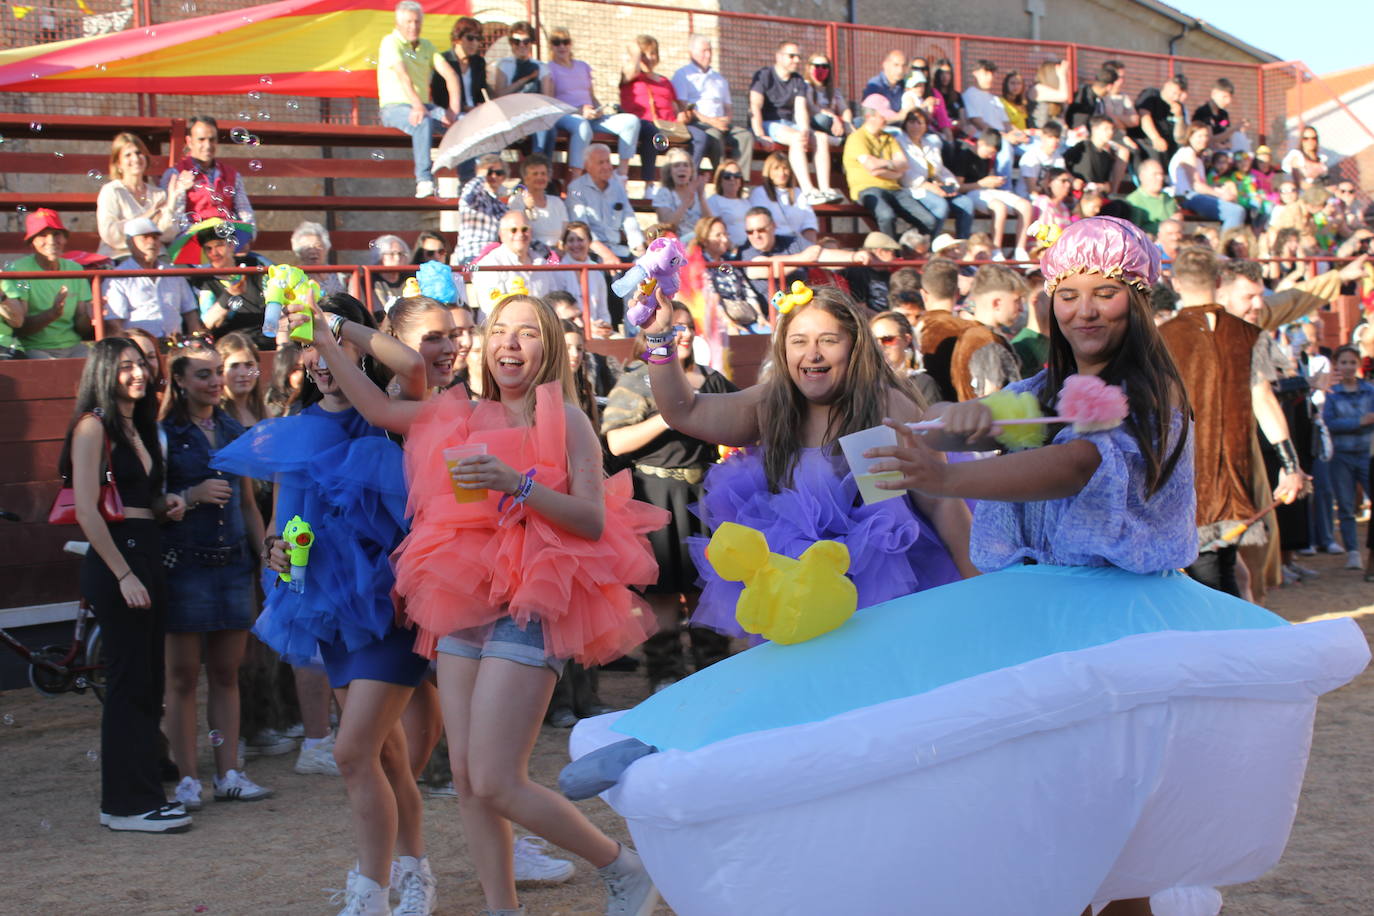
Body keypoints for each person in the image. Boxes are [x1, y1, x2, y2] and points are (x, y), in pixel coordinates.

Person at [302, 290, 667, 916]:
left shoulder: (568, 420)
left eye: (526, 333)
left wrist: (517, 485)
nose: (510, 344)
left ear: (548, 346)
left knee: (498, 778)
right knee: (470, 780)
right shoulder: (462, 414)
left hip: (534, 595)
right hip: (460, 596)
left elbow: (588, 517)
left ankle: (622, 865)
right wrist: (328, 328)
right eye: (500, 331)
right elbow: (371, 402)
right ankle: (505, 909)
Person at [213, 293, 435, 916]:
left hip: (395, 608)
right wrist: (276, 557)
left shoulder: (391, 414)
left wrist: (332, 325)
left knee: (350, 751)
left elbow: (412, 364)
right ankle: (414, 872)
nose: (318, 359)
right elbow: (281, 532)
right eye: (307, 348)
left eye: (327, 344)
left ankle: (372, 891)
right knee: (385, 757)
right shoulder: (294, 429)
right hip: (328, 611)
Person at [626, 281, 975, 646]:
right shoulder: (774, 402)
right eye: (799, 341)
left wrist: (982, 586)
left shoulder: (880, 409)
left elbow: (938, 504)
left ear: (854, 346)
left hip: (874, 604)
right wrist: (659, 336)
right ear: (783, 349)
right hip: (793, 602)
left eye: (828, 340)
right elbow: (685, 411)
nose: (813, 354)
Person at [64, 338, 189, 832]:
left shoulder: (136, 425)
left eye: (141, 364)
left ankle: (144, 793)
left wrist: (167, 504)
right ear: (103, 372)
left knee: (148, 682)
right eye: (126, 367)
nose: (139, 373)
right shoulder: (92, 426)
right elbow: (86, 510)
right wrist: (123, 574)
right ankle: (125, 804)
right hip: (121, 561)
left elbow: (138, 500)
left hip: (147, 550)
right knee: (128, 683)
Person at [159, 339, 271, 812]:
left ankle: (228, 771)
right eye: (203, 374)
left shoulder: (230, 428)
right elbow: (153, 505)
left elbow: (247, 503)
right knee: (182, 677)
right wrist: (194, 493)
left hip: (230, 564)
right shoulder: (163, 433)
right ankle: (188, 776)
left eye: (216, 373)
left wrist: (263, 557)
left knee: (227, 673)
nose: (214, 382)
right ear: (180, 380)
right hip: (184, 566)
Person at [603, 303, 737, 693]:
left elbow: (746, 424)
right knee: (661, 595)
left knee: (707, 591)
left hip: (705, 496)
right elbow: (616, 441)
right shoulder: (638, 380)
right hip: (655, 497)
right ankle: (666, 682)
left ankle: (716, 679)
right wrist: (669, 413)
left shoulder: (712, 381)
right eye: (671, 327)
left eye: (686, 327)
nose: (680, 334)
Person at [1160, 247, 1308, 596]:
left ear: (1176, 282)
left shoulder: (1161, 337)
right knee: (1221, 574)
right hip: (1230, 481)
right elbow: (1265, 401)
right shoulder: (1249, 335)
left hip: (1182, 480)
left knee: (1208, 581)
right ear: (1216, 281)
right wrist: (1290, 465)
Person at [377, 0, 459, 199]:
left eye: (417, 22)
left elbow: (451, 76)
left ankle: (468, 179)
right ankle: (423, 180)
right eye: (408, 22)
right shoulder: (390, 42)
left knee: (463, 124)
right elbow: (402, 75)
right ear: (398, 24)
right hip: (394, 107)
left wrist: (453, 112)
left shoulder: (427, 46)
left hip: (423, 105)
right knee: (423, 121)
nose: (413, 26)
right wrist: (417, 105)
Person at [539, 26, 641, 180]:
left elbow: (591, 96)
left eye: (565, 42)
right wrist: (578, 111)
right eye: (556, 42)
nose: (561, 46)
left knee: (631, 121)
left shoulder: (583, 67)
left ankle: (621, 175)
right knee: (582, 127)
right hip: (566, 117)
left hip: (590, 115)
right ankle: (576, 182)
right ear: (551, 46)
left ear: (570, 44)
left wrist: (598, 109)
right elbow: (549, 102)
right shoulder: (548, 68)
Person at [750, 40, 840, 204]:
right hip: (768, 123)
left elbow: (800, 109)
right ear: (779, 56)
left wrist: (805, 130)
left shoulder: (798, 80)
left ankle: (825, 189)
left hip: (788, 124)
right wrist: (759, 134)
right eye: (792, 56)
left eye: (798, 56)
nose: (797, 60)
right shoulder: (764, 75)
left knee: (820, 137)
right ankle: (808, 191)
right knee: (797, 138)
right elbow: (755, 106)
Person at [0, 208, 95, 359]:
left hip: (74, 347)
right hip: (35, 349)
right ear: (32, 242)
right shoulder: (19, 271)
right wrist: (52, 314)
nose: (51, 241)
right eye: (43, 235)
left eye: (56, 234)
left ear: (64, 239)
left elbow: (81, 327)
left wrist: (93, 315)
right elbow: (21, 327)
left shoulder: (75, 269)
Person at [844, 96, 939, 239]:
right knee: (886, 215)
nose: (886, 120)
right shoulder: (857, 138)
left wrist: (882, 166)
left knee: (928, 221)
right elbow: (871, 166)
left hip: (894, 189)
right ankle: (889, 256)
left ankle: (907, 248)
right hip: (867, 189)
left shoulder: (889, 138)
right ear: (869, 117)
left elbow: (903, 166)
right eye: (882, 116)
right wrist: (892, 167)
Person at [620, 34, 707, 186]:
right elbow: (631, 69)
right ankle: (649, 183)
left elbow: (675, 107)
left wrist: (682, 116)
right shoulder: (631, 76)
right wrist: (635, 53)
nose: (649, 58)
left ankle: (689, 181)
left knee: (700, 136)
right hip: (645, 125)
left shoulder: (665, 81)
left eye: (653, 53)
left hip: (669, 126)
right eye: (645, 54)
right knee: (653, 134)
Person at [738, 206, 868, 301]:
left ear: (773, 226)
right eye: (750, 232)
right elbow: (762, 268)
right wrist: (802, 258)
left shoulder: (793, 242)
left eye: (761, 230)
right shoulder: (746, 251)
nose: (756, 236)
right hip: (772, 314)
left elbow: (822, 255)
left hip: (804, 306)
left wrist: (854, 256)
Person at [102, 218, 202, 340]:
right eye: (145, 237)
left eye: (155, 238)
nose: (151, 242)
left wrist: (195, 341)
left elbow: (190, 313)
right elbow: (114, 324)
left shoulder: (174, 273)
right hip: (139, 348)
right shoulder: (118, 278)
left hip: (175, 345)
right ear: (130, 242)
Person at [1320, 345, 1374, 570]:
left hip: (1368, 455)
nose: (1349, 367)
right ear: (1337, 365)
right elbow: (1330, 423)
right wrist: (1359, 422)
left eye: (1352, 362)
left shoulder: (1370, 391)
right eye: (1344, 363)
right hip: (1342, 456)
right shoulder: (1332, 394)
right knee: (1346, 505)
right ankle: (1353, 551)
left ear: (1358, 365)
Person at [673, 34, 755, 180]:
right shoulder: (683, 75)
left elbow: (728, 107)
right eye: (704, 51)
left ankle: (741, 181)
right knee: (714, 136)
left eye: (710, 50)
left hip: (720, 124)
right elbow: (683, 107)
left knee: (745, 136)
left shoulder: (719, 79)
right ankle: (723, 179)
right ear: (692, 52)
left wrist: (726, 120)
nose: (708, 55)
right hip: (699, 123)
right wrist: (712, 122)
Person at [159, 115, 255, 234]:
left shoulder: (232, 175)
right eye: (201, 139)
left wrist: (247, 235)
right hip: (192, 239)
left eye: (212, 139)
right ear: (189, 141)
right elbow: (175, 218)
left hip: (227, 239)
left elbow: (245, 211)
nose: (208, 145)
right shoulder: (176, 174)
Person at [97, 132, 186, 260]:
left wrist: (172, 200)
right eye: (128, 155)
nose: (135, 158)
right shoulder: (111, 191)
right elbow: (111, 233)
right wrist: (149, 215)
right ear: (118, 164)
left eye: (139, 153)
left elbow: (167, 235)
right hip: (120, 257)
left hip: (156, 258)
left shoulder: (158, 194)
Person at [949, 129, 1033, 258]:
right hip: (971, 191)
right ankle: (996, 250)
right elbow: (958, 187)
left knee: (1025, 205)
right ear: (981, 144)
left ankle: (1020, 250)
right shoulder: (964, 156)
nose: (990, 156)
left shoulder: (986, 159)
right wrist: (982, 184)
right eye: (990, 152)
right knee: (999, 207)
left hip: (985, 190)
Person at [191, 221, 273, 345]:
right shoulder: (204, 280)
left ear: (231, 245)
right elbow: (207, 322)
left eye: (219, 245)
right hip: (227, 344)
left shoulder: (254, 266)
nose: (214, 253)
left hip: (264, 339)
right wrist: (230, 294)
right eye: (208, 248)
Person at [567, 144, 645, 262]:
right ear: (587, 166)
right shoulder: (576, 189)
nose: (607, 166)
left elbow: (629, 219)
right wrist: (607, 255)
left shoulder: (617, 186)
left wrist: (640, 249)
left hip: (618, 249)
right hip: (590, 252)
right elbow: (582, 230)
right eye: (600, 163)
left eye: (608, 161)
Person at [695, 215, 769, 333]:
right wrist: (728, 322)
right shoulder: (700, 265)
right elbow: (711, 297)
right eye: (718, 235)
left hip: (744, 316)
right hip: (719, 323)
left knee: (768, 332)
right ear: (704, 240)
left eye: (725, 234)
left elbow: (747, 291)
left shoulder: (728, 262)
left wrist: (760, 316)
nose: (724, 240)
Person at [469, 211, 560, 304]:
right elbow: (492, 306)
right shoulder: (489, 264)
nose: (520, 234)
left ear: (531, 232)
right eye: (513, 230)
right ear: (501, 235)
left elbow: (554, 300)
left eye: (524, 229)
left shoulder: (542, 262)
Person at [1169, 123, 1246, 231]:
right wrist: (1220, 194)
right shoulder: (1187, 153)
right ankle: (1226, 245)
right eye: (1199, 136)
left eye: (1206, 136)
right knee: (1236, 212)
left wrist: (1221, 190)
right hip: (1188, 197)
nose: (1204, 139)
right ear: (1190, 136)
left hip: (1194, 196)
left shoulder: (1198, 158)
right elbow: (1196, 186)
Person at [547, 221, 611, 328]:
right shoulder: (557, 271)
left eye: (580, 240)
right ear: (565, 244)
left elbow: (603, 312)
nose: (576, 244)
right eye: (571, 240)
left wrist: (605, 326)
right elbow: (559, 314)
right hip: (569, 330)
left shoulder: (597, 274)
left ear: (589, 242)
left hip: (596, 329)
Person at [870, 308, 940, 403]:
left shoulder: (923, 383)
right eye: (874, 341)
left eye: (887, 339)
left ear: (907, 339)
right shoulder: (861, 381)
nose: (880, 346)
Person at [747, 151, 819, 242]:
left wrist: (810, 248)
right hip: (773, 243)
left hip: (797, 243)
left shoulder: (799, 193)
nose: (782, 173)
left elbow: (809, 224)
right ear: (769, 171)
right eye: (776, 168)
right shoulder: (760, 193)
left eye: (785, 168)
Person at [454, 154, 510, 265]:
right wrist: (481, 176)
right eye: (489, 172)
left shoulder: (500, 205)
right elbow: (468, 196)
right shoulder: (474, 196)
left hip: (493, 257)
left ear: (503, 177)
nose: (493, 176)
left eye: (498, 173)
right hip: (470, 257)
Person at [430, 16, 489, 116]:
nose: (475, 43)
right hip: (451, 113)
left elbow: (481, 91)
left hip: (475, 113)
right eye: (470, 38)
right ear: (457, 39)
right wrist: (465, 108)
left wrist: (480, 105)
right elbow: (439, 96)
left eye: (478, 39)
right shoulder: (444, 61)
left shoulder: (479, 62)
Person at [652, 147, 710, 244]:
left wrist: (701, 197)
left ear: (691, 171)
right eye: (676, 165)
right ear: (670, 172)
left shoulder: (698, 193)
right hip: (675, 245)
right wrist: (686, 201)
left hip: (699, 244)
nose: (682, 169)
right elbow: (668, 225)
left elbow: (709, 223)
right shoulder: (664, 193)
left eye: (686, 165)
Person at [512, 153, 569, 252]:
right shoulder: (517, 202)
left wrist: (560, 249)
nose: (540, 177)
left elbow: (565, 233)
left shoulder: (557, 202)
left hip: (558, 253)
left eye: (543, 174)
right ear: (526, 179)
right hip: (532, 252)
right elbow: (519, 232)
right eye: (535, 174)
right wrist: (528, 209)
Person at [1130, 74, 1189, 164]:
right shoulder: (1151, 94)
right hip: (1147, 138)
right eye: (1174, 93)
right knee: (1157, 152)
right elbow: (1144, 117)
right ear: (1167, 85)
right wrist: (1156, 138)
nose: (1176, 97)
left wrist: (1179, 117)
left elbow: (1179, 137)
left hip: (1169, 142)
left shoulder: (1178, 106)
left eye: (1179, 95)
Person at [1065, 115, 1130, 194]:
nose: (1110, 132)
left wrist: (1102, 187)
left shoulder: (1106, 156)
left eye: (1112, 129)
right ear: (1094, 129)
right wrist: (1073, 180)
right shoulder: (1083, 147)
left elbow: (1106, 185)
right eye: (1106, 129)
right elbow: (1063, 164)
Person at [291, 222, 351, 297]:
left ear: (326, 249)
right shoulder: (293, 276)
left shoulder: (340, 277)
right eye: (307, 248)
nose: (312, 251)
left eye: (318, 245)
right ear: (299, 252)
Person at [803, 51, 852, 142]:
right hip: (818, 121)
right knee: (823, 119)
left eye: (825, 67)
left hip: (835, 123)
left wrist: (847, 124)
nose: (821, 69)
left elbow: (845, 109)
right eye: (817, 66)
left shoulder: (834, 90)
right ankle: (842, 139)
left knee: (859, 121)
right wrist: (834, 118)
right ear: (809, 68)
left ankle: (845, 137)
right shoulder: (805, 86)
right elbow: (813, 108)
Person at [1123, 159, 1178, 236]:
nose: (1160, 178)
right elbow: (1133, 231)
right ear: (1142, 176)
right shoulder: (1134, 201)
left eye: (1161, 174)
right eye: (1155, 174)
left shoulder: (1168, 198)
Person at [491, 19, 546, 97]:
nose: (521, 45)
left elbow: (546, 98)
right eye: (516, 41)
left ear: (531, 43)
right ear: (511, 43)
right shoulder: (504, 64)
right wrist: (527, 78)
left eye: (526, 41)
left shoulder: (541, 67)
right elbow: (499, 95)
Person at [707, 159, 751, 249]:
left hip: (748, 249)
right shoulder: (713, 201)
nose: (732, 179)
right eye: (727, 176)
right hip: (728, 251)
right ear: (720, 181)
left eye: (737, 175)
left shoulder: (747, 203)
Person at [1191, 78, 1247, 150]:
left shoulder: (1224, 115)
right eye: (1224, 97)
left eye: (1230, 98)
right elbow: (1210, 139)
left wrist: (1227, 143)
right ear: (1214, 94)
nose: (1228, 101)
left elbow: (1225, 132)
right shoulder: (1203, 113)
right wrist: (1233, 129)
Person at [1015, 119, 1065, 197]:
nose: (1056, 141)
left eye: (1057, 137)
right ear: (1043, 137)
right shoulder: (1031, 157)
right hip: (1028, 198)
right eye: (1051, 137)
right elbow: (1032, 190)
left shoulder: (1058, 158)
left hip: (1047, 198)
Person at [861, 50, 913, 124]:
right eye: (896, 65)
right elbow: (871, 119)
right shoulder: (875, 86)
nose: (900, 70)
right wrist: (900, 116)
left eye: (903, 66)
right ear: (885, 64)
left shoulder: (905, 84)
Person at [1030, 58, 1070, 128]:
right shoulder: (1037, 89)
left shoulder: (1057, 94)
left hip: (1055, 134)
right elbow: (1064, 96)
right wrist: (1062, 75)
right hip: (1039, 134)